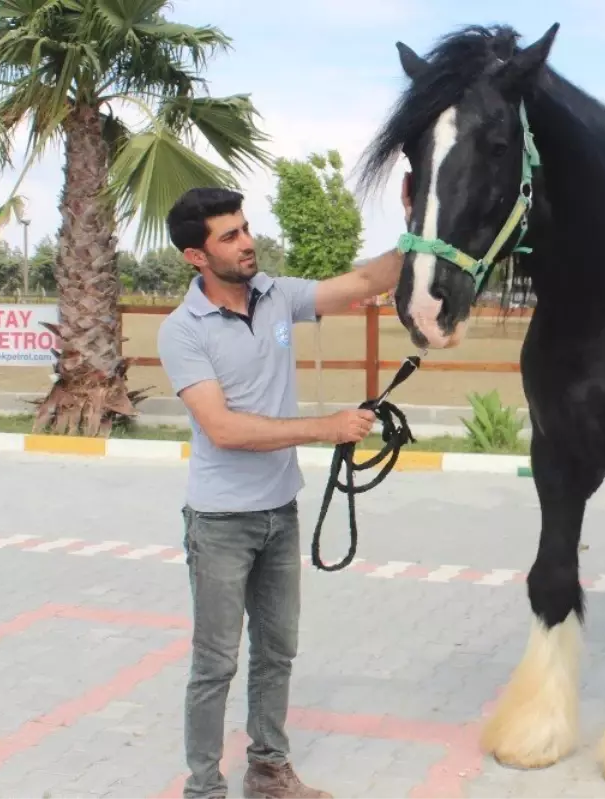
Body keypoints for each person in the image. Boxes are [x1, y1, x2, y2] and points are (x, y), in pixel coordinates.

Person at [157, 183, 411, 799]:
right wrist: (325, 428)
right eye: (231, 236)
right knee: (215, 663)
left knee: (278, 651)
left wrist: (417, 224)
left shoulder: (277, 295)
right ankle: (204, 790)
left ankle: (269, 772)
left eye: (246, 228)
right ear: (196, 256)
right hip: (220, 522)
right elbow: (221, 429)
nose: (249, 243)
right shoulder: (182, 330)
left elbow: (360, 282)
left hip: (280, 512)